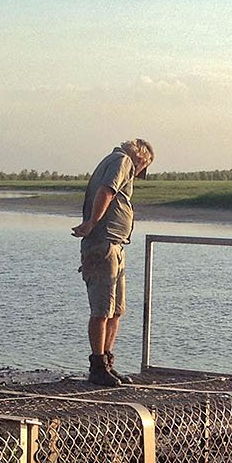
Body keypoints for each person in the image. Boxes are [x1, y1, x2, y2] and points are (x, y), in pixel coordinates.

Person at [72, 138, 153, 386]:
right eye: (145, 166)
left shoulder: (116, 160)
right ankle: (97, 367)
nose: (140, 172)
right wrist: (91, 223)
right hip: (103, 243)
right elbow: (106, 190)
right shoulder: (122, 160)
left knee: (117, 310)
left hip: (115, 245)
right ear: (142, 156)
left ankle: (106, 363)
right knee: (102, 309)